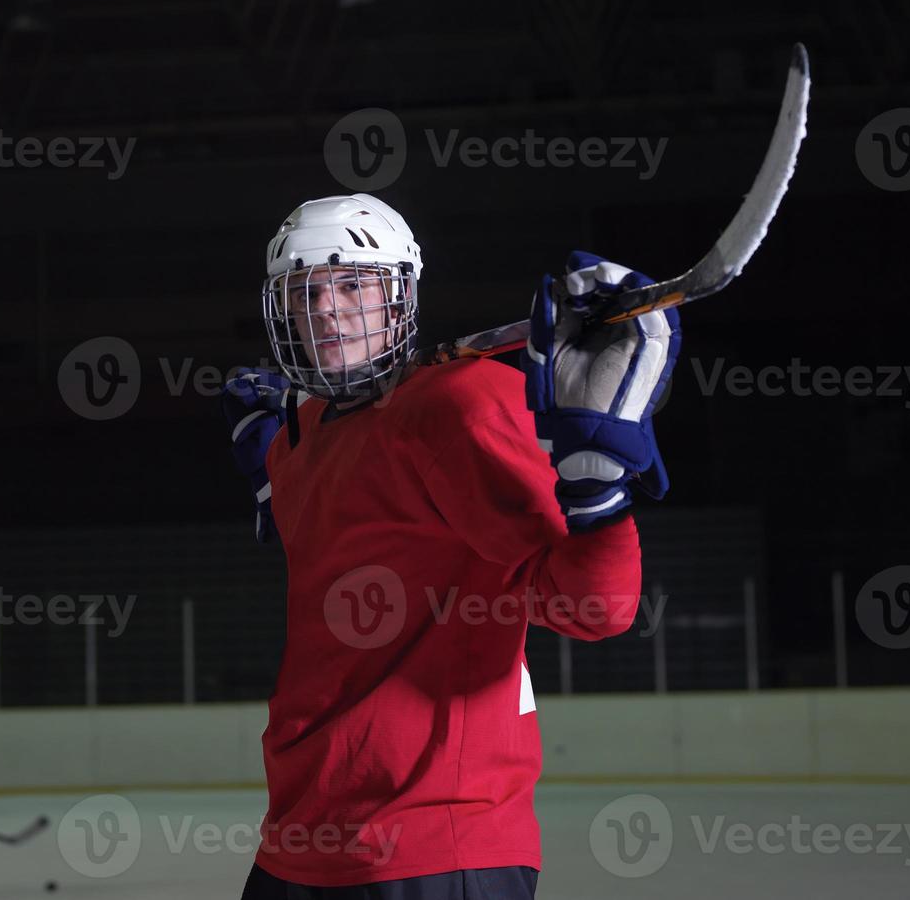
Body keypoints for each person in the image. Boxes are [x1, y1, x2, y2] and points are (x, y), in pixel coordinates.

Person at [222, 194, 679, 897]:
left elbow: (595, 609)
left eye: (352, 283)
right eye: (305, 290)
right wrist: (273, 462)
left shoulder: (458, 405)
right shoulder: (307, 432)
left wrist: (595, 485)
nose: (326, 309)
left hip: (435, 851)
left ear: (399, 294)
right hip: (297, 844)